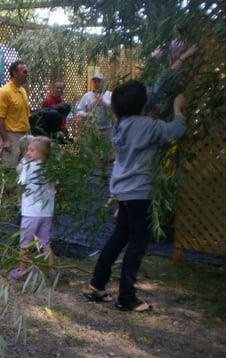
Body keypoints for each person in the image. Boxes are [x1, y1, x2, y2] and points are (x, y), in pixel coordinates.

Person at [85, 80, 187, 312]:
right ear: (143, 103)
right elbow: (176, 131)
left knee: (119, 237)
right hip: (140, 192)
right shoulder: (148, 126)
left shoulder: (121, 124)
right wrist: (178, 110)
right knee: (137, 244)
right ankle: (127, 297)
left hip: (122, 189)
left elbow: (150, 93)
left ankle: (97, 284)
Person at [10, 136, 56, 280]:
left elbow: (20, 181)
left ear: (41, 154)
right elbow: (54, 187)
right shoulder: (50, 168)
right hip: (46, 213)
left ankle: (22, 271)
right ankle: (52, 270)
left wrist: (23, 164)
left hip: (30, 213)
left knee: (24, 244)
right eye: (28, 150)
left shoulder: (29, 166)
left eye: (32, 150)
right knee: (45, 242)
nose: (28, 153)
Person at [0, 60, 31, 167]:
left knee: (24, 170)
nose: (27, 74)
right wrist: (6, 140)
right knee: (9, 171)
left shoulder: (23, 90)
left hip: (25, 134)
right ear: (14, 73)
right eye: (24, 72)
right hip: (12, 136)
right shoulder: (4, 92)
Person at [75, 73, 113, 141]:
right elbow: (78, 111)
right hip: (91, 129)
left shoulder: (109, 95)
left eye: (99, 81)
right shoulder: (87, 96)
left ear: (103, 82)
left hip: (106, 129)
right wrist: (86, 114)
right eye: (95, 81)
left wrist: (102, 101)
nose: (96, 83)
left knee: (106, 149)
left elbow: (113, 109)